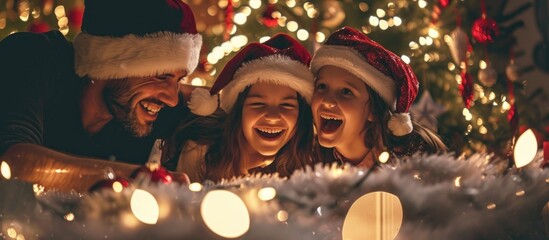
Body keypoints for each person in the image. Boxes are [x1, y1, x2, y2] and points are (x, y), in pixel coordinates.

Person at [0, 0, 202, 191]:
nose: (171, 99)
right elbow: (13, 164)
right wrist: (145, 179)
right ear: (110, 62)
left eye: (179, 80)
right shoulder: (33, 57)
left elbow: (218, 101)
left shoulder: (138, 109)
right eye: (161, 75)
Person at [173, 34, 315, 183]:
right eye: (258, 104)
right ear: (239, 110)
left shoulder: (308, 164)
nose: (273, 116)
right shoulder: (200, 151)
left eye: (287, 105)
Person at [310, 27, 447, 168]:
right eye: (321, 87)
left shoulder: (413, 161)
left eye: (346, 92)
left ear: (374, 110)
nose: (327, 101)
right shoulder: (312, 160)